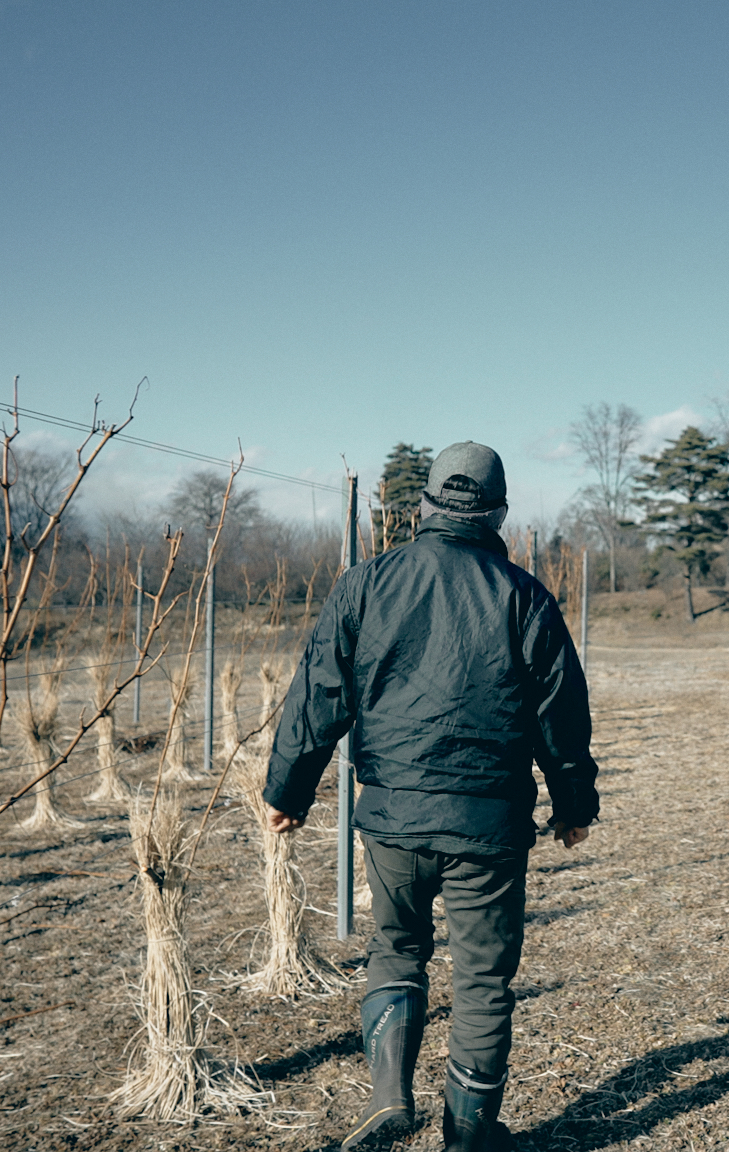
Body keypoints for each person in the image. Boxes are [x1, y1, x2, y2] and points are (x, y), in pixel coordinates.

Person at [263, 441, 599, 1152]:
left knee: (396, 949)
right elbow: (559, 716)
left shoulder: (365, 584)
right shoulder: (525, 596)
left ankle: (390, 1097)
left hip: (392, 818)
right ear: (500, 512)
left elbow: (319, 693)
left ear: (421, 508)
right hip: (488, 825)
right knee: (482, 980)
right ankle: (469, 1138)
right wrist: (573, 803)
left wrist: (288, 789)